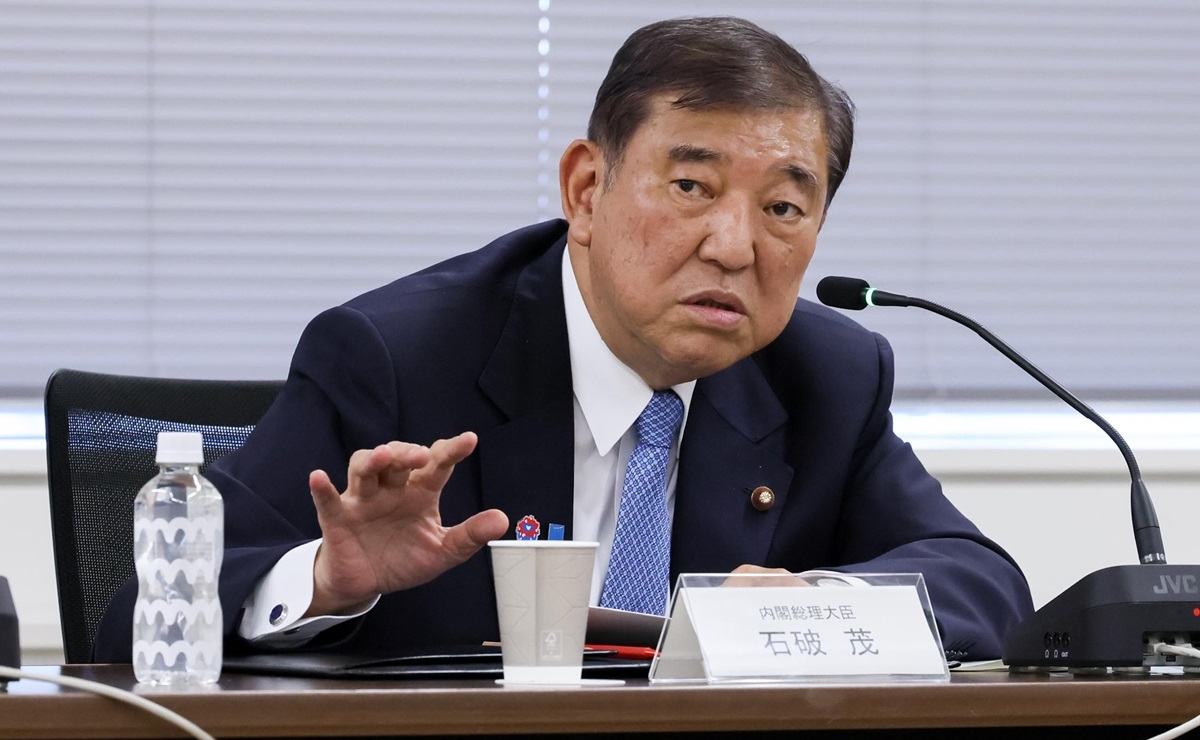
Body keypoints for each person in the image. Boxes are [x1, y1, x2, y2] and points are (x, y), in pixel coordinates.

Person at [94, 16, 1033, 662]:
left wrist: (818, 606)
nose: (735, 246)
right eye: (692, 187)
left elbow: (982, 583)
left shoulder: (825, 375)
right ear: (587, 191)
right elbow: (140, 616)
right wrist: (327, 581)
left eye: (784, 207)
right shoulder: (397, 357)